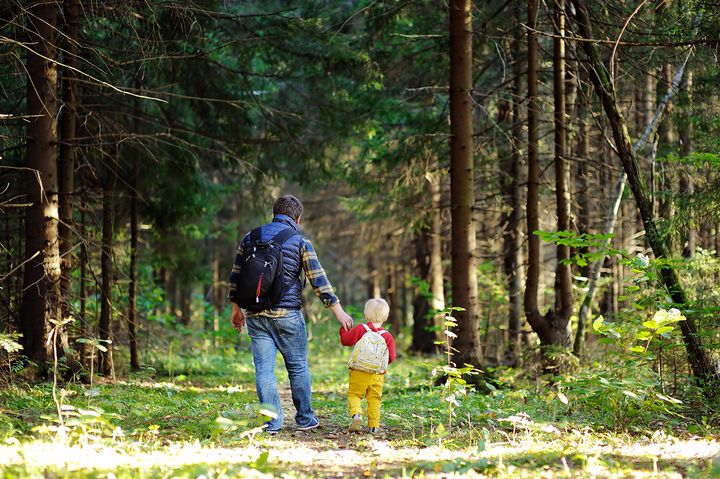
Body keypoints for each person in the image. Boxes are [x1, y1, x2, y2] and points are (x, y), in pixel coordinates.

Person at [228, 194, 353, 434]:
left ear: (274, 213)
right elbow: (319, 280)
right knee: (297, 367)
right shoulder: (299, 240)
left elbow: (236, 275)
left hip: (255, 314)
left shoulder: (249, 238)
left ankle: (271, 423)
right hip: (287, 314)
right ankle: (305, 419)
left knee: (263, 370)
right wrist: (338, 311)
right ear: (298, 217)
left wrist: (236, 309)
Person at [339, 298, 396, 433]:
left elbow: (345, 341)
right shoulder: (387, 336)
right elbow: (391, 357)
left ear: (366, 315)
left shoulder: (360, 329)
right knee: (374, 399)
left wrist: (343, 330)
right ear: (386, 316)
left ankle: (357, 414)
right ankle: (374, 426)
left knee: (354, 394)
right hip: (377, 374)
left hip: (359, 371)